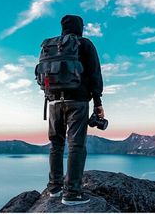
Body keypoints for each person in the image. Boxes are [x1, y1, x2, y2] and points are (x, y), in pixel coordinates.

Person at [46, 15, 104, 206]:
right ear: (79, 27)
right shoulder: (84, 44)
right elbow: (95, 73)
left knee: (56, 144)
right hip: (77, 101)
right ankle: (71, 193)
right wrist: (98, 102)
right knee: (76, 146)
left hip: (53, 102)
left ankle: (54, 188)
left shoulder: (50, 46)